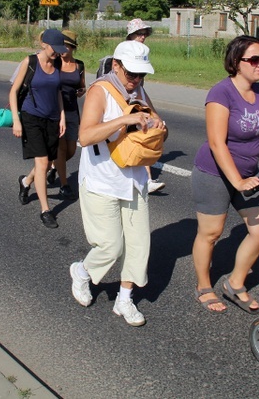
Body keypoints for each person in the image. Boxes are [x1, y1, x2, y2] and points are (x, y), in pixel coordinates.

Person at [191, 35, 259, 313]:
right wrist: (236, 181)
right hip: (215, 173)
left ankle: (235, 284)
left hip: (249, 173)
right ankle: (204, 286)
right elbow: (216, 142)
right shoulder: (220, 93)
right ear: (237, 63)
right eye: (254, 59)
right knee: (211, 233)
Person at [69, 40, 166, 326]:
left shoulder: (139, 90)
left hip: (134, 179)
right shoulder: (100, 91)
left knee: (138, 245)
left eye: (142, 75)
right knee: (110, 246)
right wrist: (126, 119)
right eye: (131, 74)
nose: (136, 80)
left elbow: (154, 116)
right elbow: (85, 137)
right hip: (101, 180)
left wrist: (157, 124)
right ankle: (82, 271)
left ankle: (125, 300)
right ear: (116, 66)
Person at [11, 29, 67, 228]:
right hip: (31, 117)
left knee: (47, 161)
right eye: (54, 49)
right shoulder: (30, 62)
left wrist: (62, 117)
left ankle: (26, 182)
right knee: (43, 162)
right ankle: (46, 210)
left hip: (52, 119)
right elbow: (14, 91)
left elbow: (58, 92)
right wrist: (17, 121)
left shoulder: (58, 63)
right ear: (44, 44)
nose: (57, 53)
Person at [124, 18, 165, 193]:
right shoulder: (124, 52)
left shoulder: (142, 53)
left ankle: (145, 179)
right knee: (139, 135)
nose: (143, 37)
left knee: (143, 134)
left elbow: (139, 86)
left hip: (137, 98)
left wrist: (152, 110)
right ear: (131, 35)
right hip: (125, 100)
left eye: (145, 34)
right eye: (139, 33)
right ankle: (143, 179)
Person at [46, 30, 85, 199]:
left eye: (66, 47)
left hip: (72, 111)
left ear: (72, 48)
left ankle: (53, 168)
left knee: (70, 151)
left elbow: (82, 85)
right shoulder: (55, 63)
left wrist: (81, 91)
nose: (63, 50)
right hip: (55, 112)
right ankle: (64, 185)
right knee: (60, 149)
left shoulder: (79, 65)